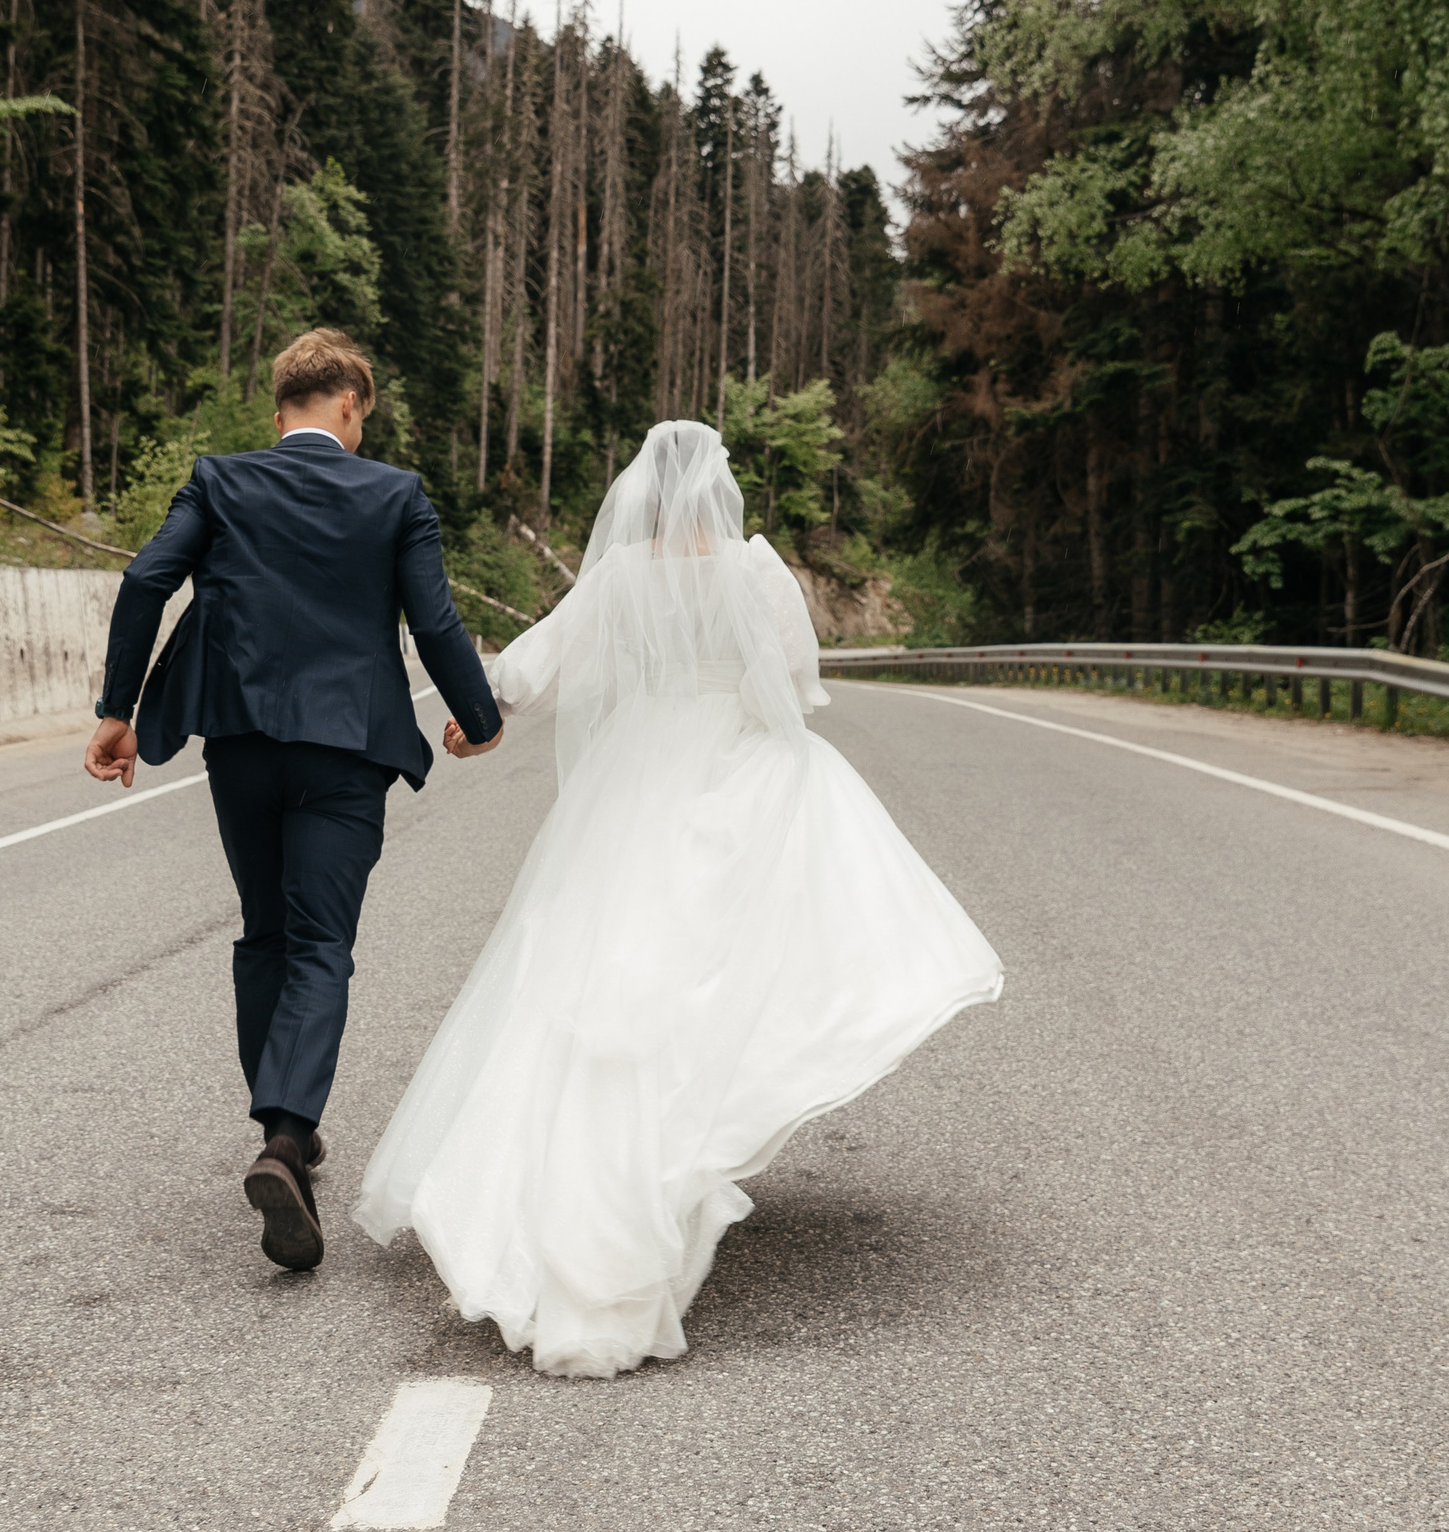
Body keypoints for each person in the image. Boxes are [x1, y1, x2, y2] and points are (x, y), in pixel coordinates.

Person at [353, 419, 1003, 1378]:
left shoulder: (620, 575)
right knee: (718, 961)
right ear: (718, 489)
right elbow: (792, 680)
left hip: (633, 774)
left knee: (595, 969)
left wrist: (479, 717)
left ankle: (558, 1192)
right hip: (730, 761)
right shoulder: (755, 571)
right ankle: (675, 1148)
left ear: (644, 495)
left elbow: (534, 664)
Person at [85, 328, 503, 1274]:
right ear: (353, 405)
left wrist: (119, 710)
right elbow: (432, 618)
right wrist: (478, 716)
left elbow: (147, 577)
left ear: (280, 414)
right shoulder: (395, 494)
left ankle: (287, 1136)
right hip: (348, 751)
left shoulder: (220, 479)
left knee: (264, 932)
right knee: (323, 943)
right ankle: (285, 1135)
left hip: (239, 742)